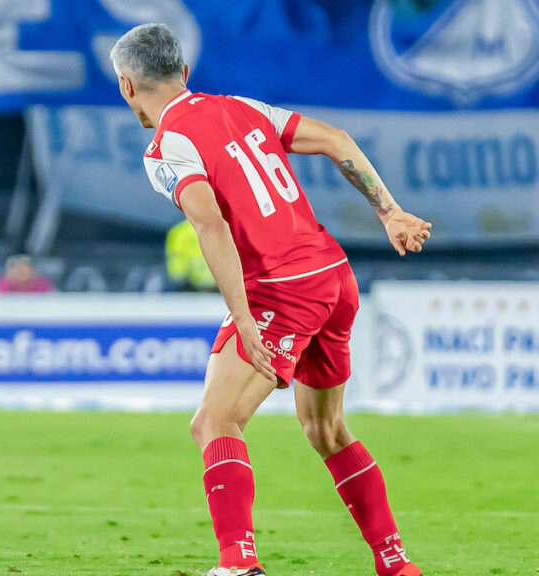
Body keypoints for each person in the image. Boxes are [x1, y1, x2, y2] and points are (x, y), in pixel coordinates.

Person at [110, 24, 431, 576]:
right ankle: (396, 564)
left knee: (214, 421)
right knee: (326, 431)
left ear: (126, 86)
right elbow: (335, 138)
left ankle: (238, 563)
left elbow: (208, 222)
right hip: (334, 275)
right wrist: (390, 213)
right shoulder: (240, 106)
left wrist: (243, 318)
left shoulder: (166, 148)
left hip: (281, 290)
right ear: (185, 73)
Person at [165, 219, 217, 292]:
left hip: (188, 287)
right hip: (217, 286)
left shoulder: (178, 232)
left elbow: (176, 260)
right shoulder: (219, 230)